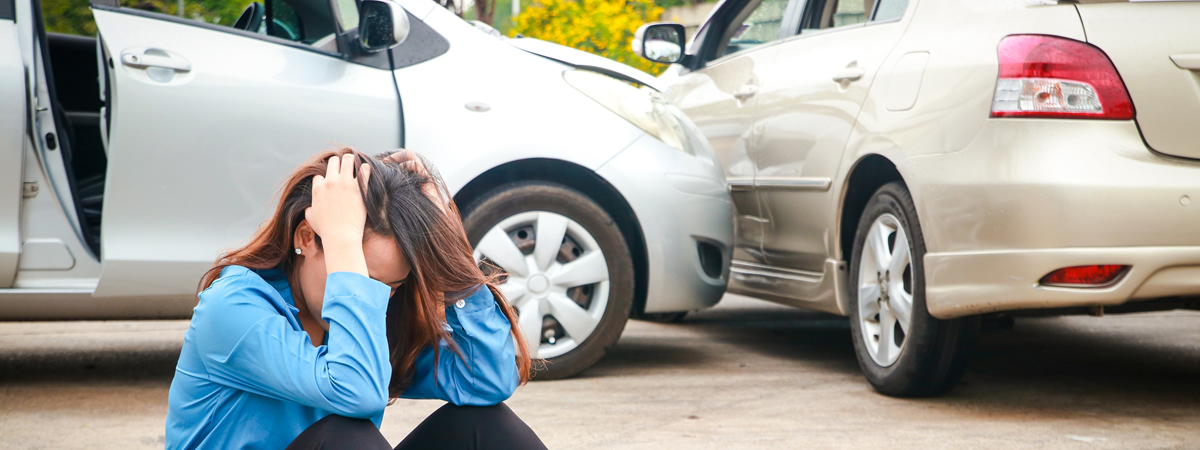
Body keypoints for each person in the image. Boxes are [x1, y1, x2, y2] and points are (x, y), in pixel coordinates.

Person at [164, 149, 547, 449]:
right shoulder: (232, 307)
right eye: (360, 277)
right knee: (347, 436)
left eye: (390, 285)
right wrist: (345, 244)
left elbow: (488, 379)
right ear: (306, 238)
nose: (371, 296)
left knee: (483, 426)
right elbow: (356, 395)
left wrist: (442, 237)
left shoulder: (376, 311)